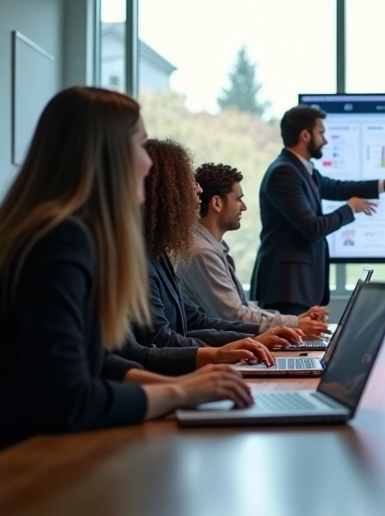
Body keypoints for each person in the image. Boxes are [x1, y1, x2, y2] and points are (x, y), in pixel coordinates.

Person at [0, 87, 252, 452]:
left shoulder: (58, 231)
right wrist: (177, 392)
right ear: (107, 156)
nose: (149, 163)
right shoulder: (59, 241)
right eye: (140, 145)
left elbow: (98, 361)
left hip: (10, 455)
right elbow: (69, 399)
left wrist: (181, 389)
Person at [128, 139, 299, 374]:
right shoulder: (138, 259)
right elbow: (159, 339)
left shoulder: (157, 253)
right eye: (189, 181)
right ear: (165, 191)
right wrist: (223, 352)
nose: (199, 189)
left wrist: (255, 337)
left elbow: (194, 322)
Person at [252, 105, 385, 316]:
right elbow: (312, 228)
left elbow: (340, 187)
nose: (325, 140)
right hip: (288, 288)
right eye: (321, 133)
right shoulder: (284, 172)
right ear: (305, 135)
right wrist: (350, 208)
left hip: (297, 287)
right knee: (290, 349)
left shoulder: (301, 170)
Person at [176, 162, 329, 336]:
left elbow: (243, 308)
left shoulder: (208, 246)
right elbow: (236, 317)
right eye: (238, 199)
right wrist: (294, 324)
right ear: (217, 203)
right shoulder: (202, 252)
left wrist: (296, 320)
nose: (244, 206)